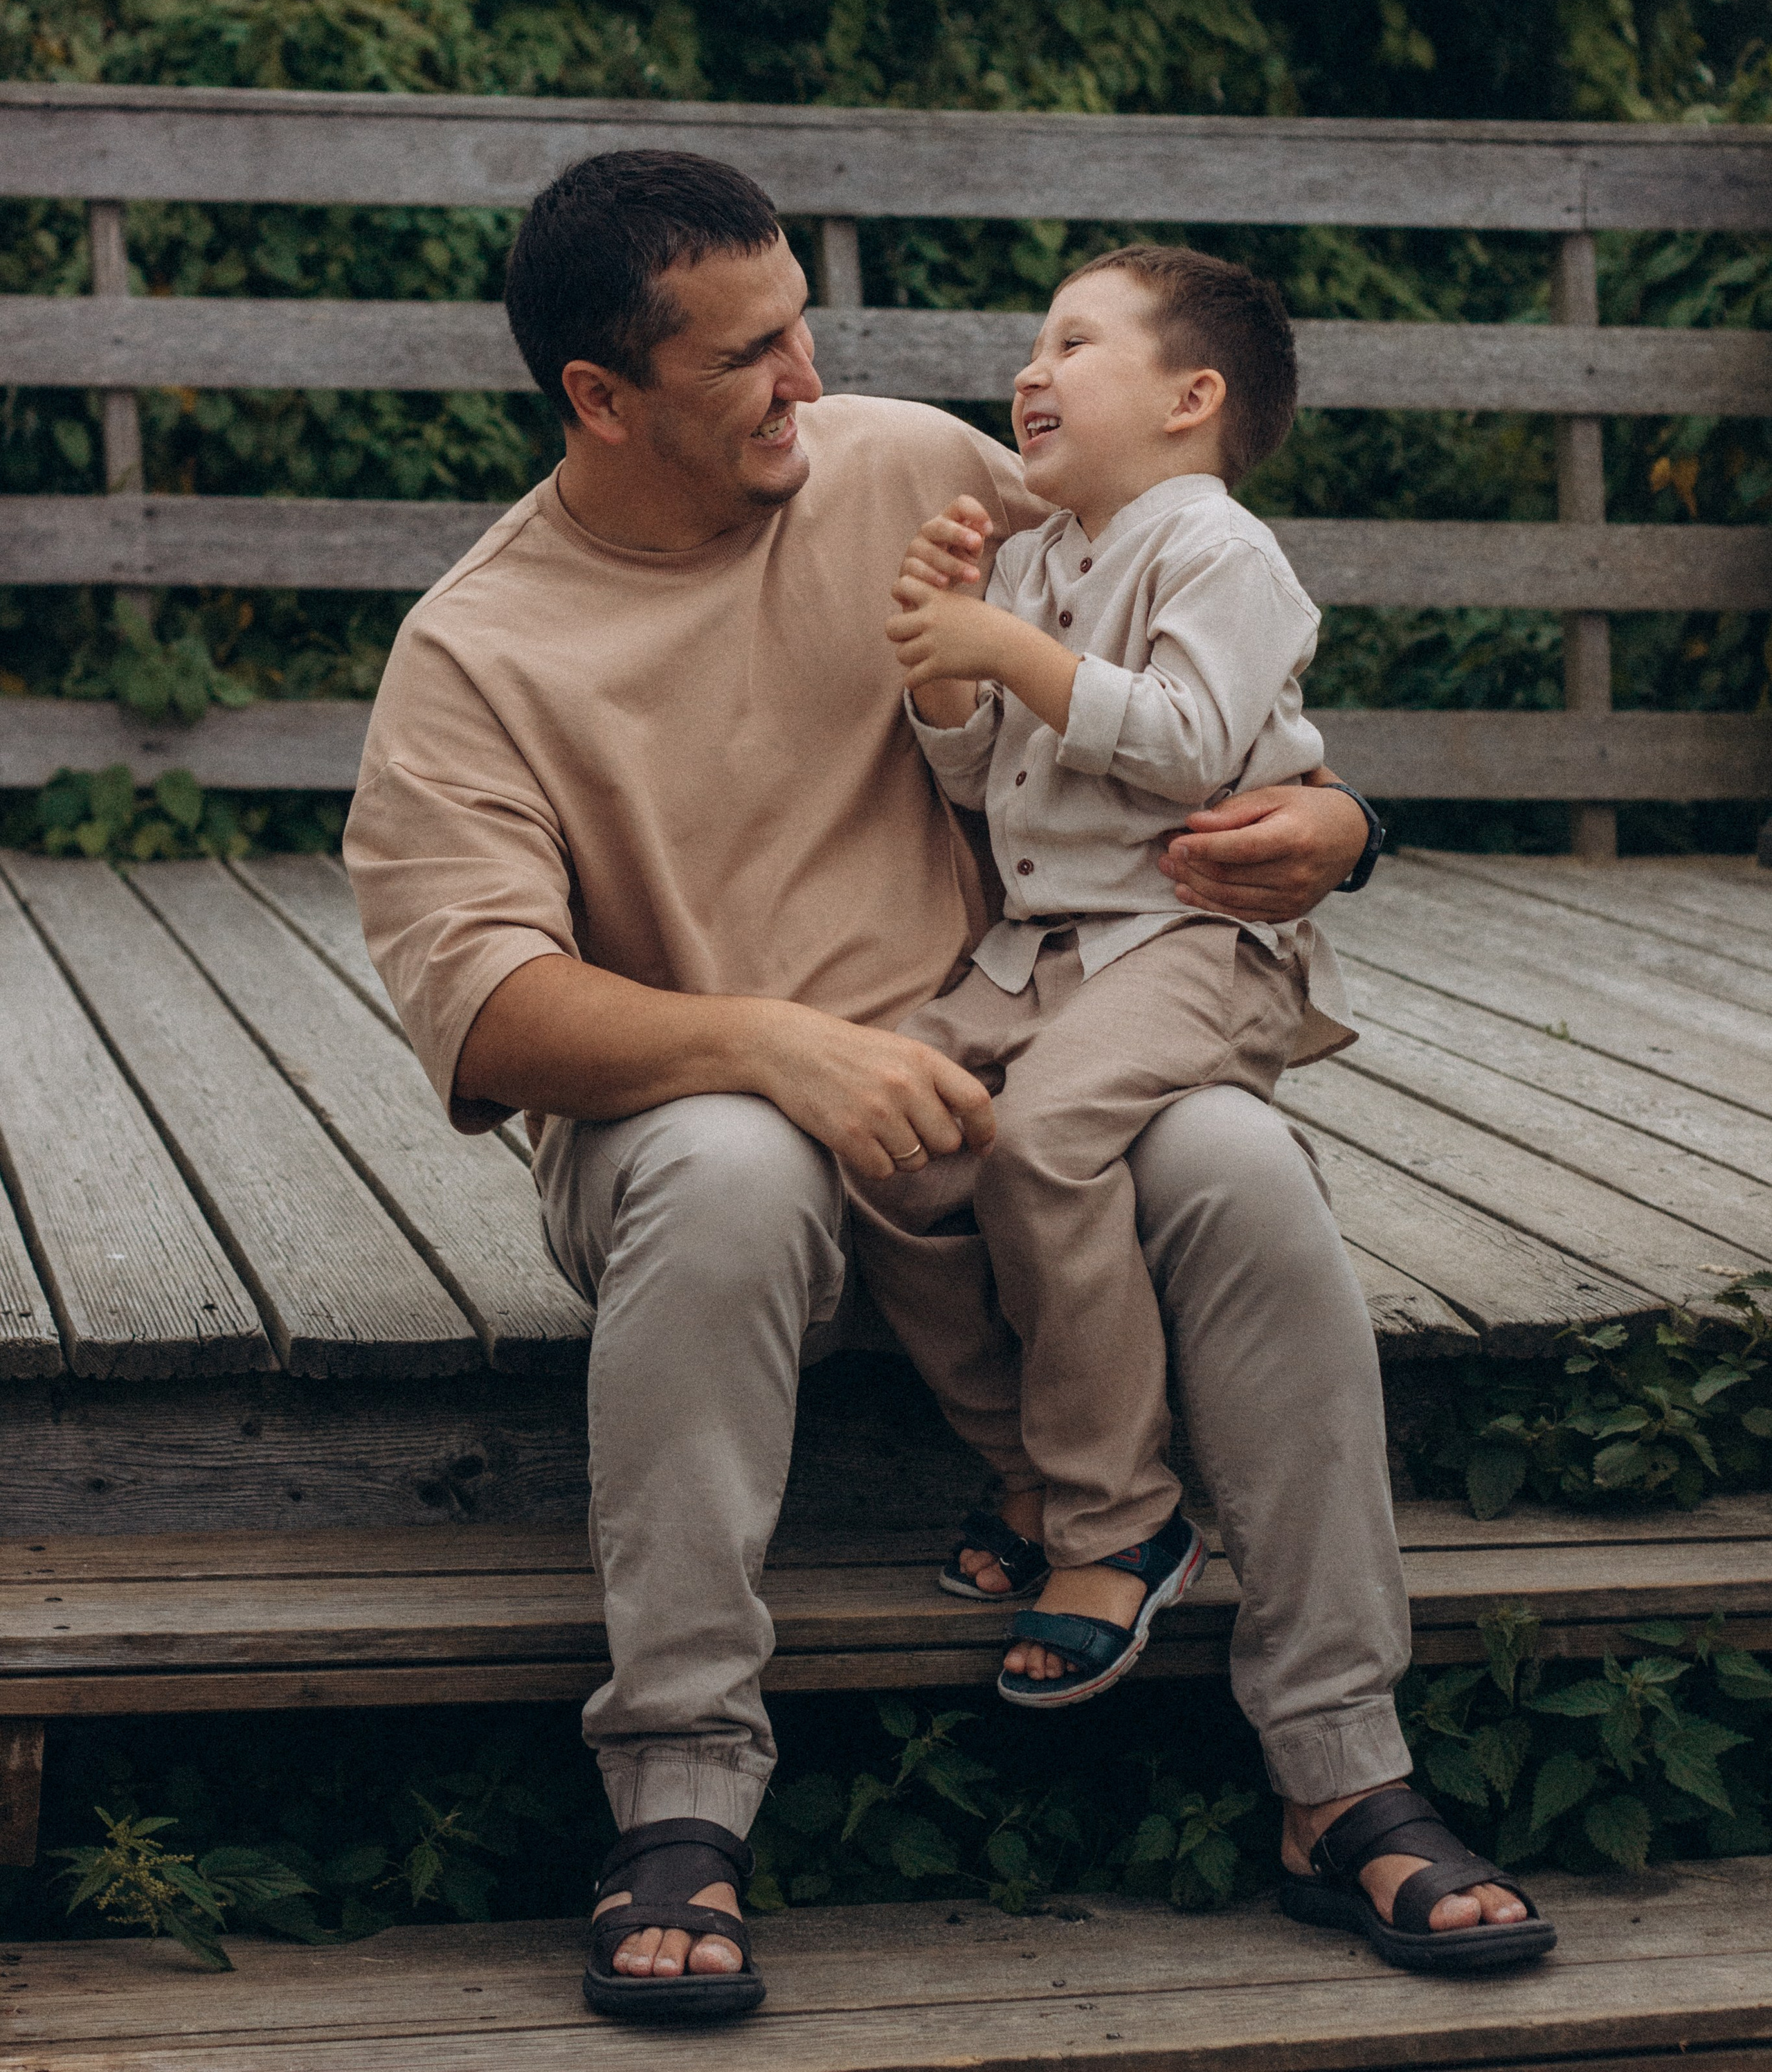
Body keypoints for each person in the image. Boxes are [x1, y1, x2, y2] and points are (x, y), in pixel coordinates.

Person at [342, 147, 1554, 2026]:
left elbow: (1191, 602)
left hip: (1007, 1044)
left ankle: (1343, 1769)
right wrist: (772, 1045)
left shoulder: (904, 469)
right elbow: (485, 1008)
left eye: (802, 330)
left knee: (1233, 1150)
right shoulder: (476, 653)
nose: (809, 386)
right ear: (600, 396)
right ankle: (678, 1799)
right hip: (697, 1122)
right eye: (748, 358)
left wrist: (1349, 822)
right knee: (738, 1169)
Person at [849, 245, 1359, 1711]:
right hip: (1039, 951)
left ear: (1191, 397)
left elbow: (1194, 742)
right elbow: (975, 776)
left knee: (1040, 1149)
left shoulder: (1218, 550)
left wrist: (1002, 647)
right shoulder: (1032, 555)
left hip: (1192, 941)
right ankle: (1027, 1461)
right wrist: (945, 664)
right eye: (1031, 344)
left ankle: (1118, 1520)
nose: (1030, 370)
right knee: (884, 1139)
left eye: (1074, 343)